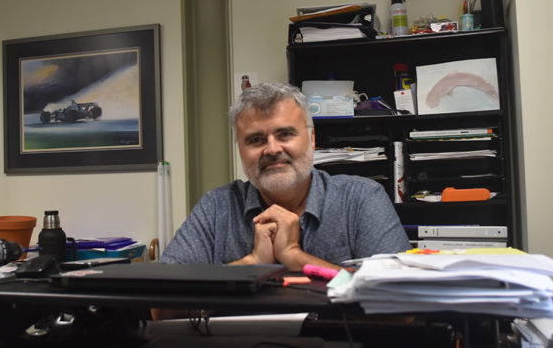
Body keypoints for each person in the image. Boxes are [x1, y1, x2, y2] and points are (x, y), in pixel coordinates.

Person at [160, 82, 411, 272]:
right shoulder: (216, 208)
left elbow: (404, 306)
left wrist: (296, 257)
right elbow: (160, 306)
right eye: (255, 140)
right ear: (240, 150)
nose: (271, 149)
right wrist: (253, 262)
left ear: (312, 140)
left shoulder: (361, 199)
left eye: (285, 134)